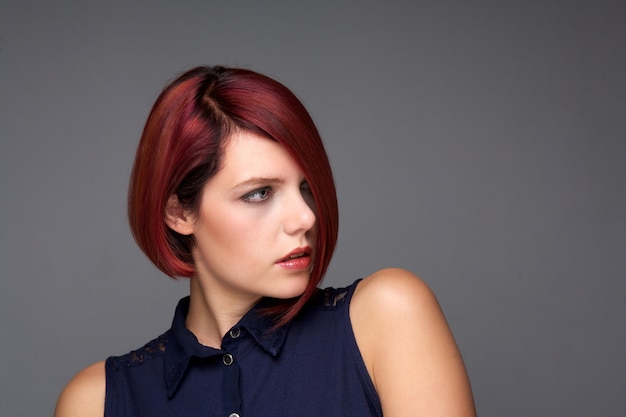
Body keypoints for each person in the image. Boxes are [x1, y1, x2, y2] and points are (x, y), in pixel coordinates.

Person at [55, 66, 476, 417]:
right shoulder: (99, 401)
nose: (306, 217)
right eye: (260, 193)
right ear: (179, 213)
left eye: (307, 188)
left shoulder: (387, 317)